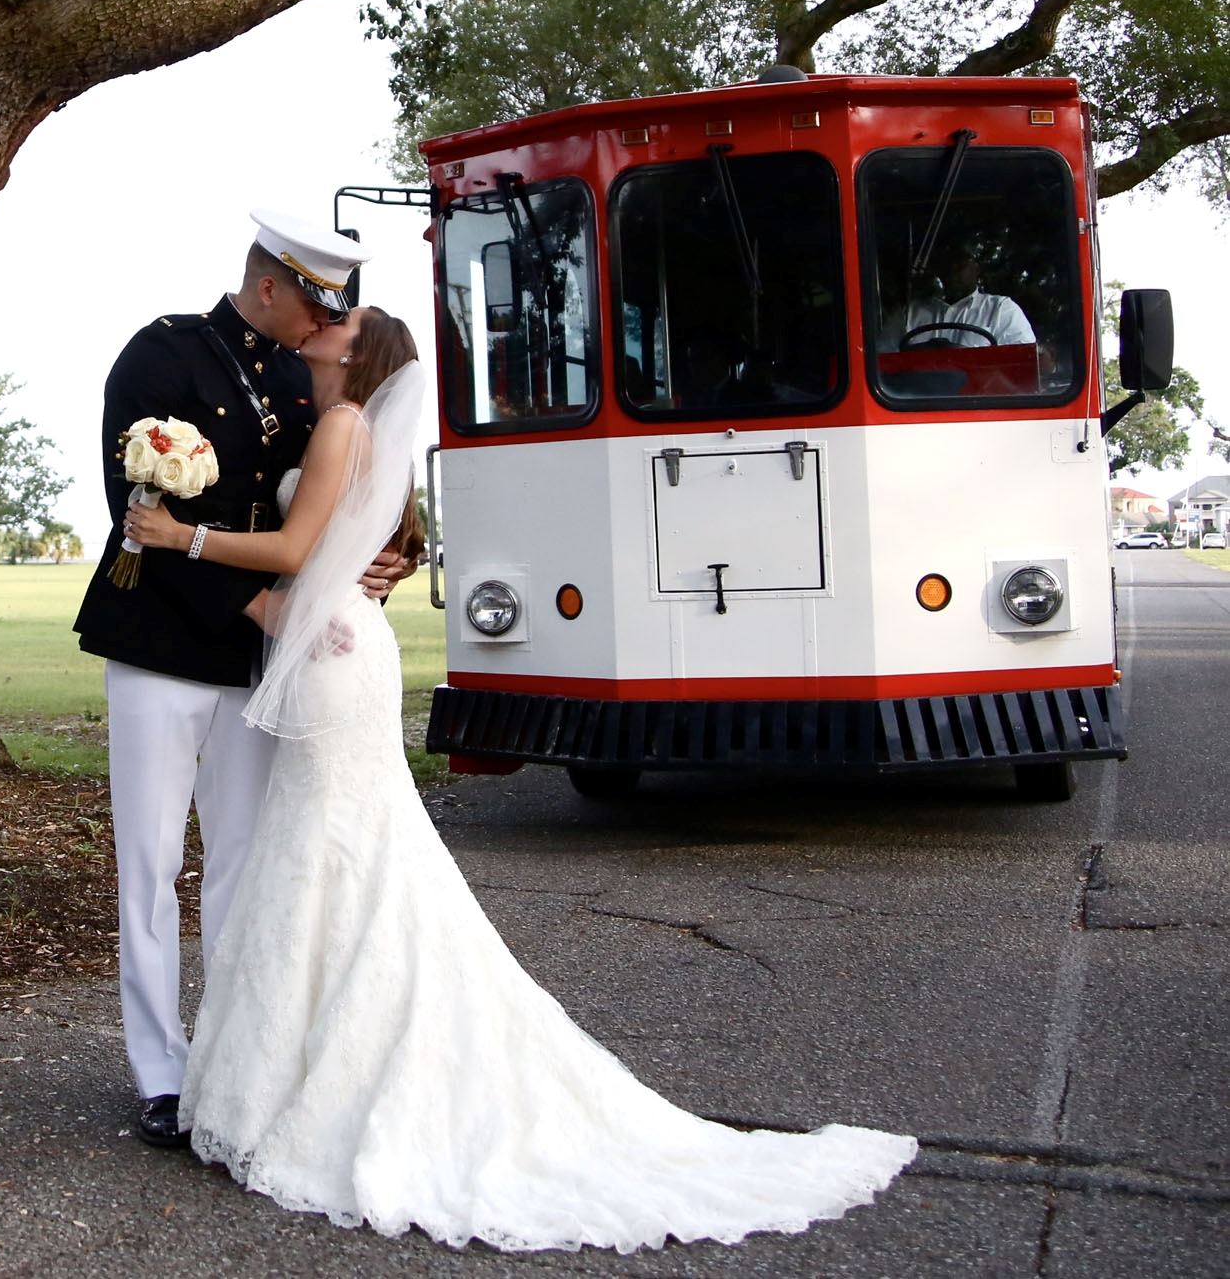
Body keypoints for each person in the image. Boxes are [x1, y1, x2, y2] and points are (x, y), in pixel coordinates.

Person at [122, 307, 918, 1253]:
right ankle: (312, 1061)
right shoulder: (345, 425)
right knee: (341, 856)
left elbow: (298, 552)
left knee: (334, 852)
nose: (324, 328)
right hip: (337, 643)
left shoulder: (341, 425)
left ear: (359, 354)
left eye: (342, 325)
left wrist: (184, 540)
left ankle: (320, 1072)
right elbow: (352, 545)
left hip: (334, 657)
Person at [71, 210, 410, 1152]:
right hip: (160, 644)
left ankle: (228, 1055)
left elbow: (343, 497)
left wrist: (380, 563)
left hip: (259, 667)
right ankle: (158, 1071)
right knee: (149, 865)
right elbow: (137, 513)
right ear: (271, 286)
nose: (320, 322)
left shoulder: (308, 383)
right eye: (313, 300)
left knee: (242, 864)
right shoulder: (163, 357)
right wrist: (259, 606)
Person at [897, 244, 1034, 347]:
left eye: (960, 265)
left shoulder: (1001, 309)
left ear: (976, 268)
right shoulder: (910, 313)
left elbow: (1021, 362)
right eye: (946, 264)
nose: (952, 271)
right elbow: (883, 357)